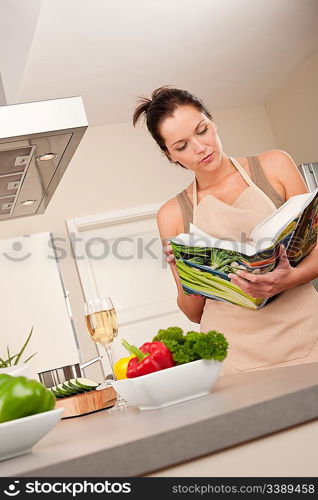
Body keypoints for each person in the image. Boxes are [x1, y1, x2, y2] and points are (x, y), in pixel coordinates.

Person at [132, 86, 318, 375]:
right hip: (235, 359)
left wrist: (286, 280)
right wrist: (189, 268)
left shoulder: (274, 166)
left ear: (212, 121)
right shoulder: (171, 214)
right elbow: (194, 313)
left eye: (202, 130)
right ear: (171, 156)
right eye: (181, 146)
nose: (200, 148)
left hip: (307, 334)